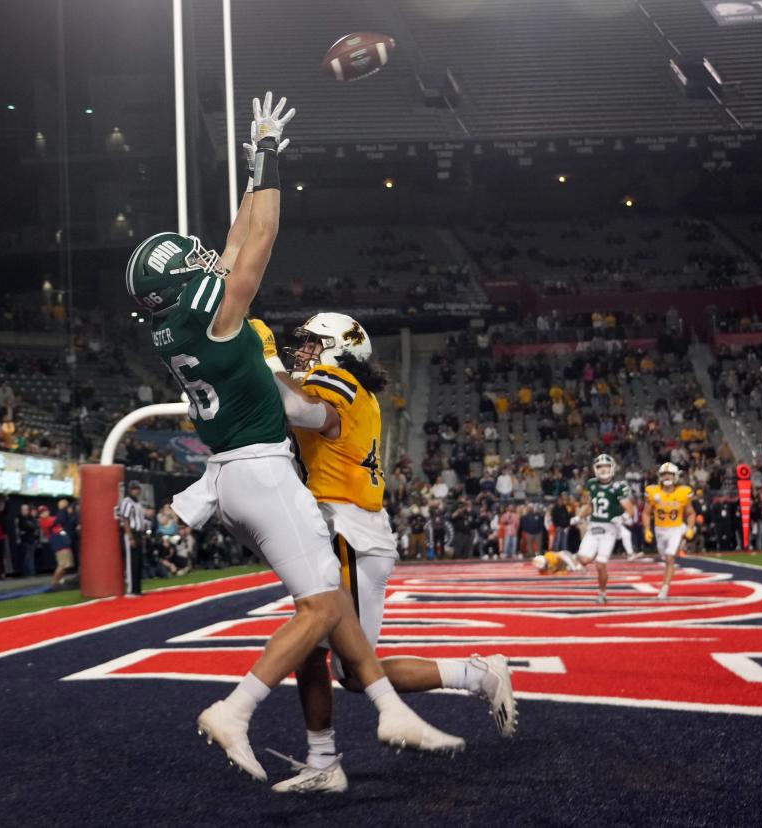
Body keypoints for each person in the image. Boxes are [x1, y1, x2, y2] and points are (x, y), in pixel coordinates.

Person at [125, 92, 459, 783]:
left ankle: (378, 717)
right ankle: (237, 709)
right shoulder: (217, 317)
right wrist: (272, 153)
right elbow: (259, 240)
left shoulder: (175, 324)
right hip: (261, 469)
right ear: (182, 281)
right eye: (193, 260)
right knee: (322, 607)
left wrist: (252, 167)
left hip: (229, 471)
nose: (206, 259)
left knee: (328, 609)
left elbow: (230, 243)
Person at [263, 312, 515, 793]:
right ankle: (323, 762)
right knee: (319, 658)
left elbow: (299, 412)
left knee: (347, 667)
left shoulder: (338, 382)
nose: (305, 352)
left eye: (314, 343)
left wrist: (267, 359)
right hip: (346, 530)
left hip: (347, 533)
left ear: (337, 348)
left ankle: (478, 674)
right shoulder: (346, 384)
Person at [572, 454, 636, 605]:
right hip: (593, 527)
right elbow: (590, 505)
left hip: (609, 530)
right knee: (584, 560)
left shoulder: (618, 487)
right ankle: (573, 557)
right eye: (600, 467)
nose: (603, 469)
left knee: (600, 565)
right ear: (595, 469)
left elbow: (630, 509)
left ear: (612, 468)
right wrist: (579, 516)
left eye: (606, 466)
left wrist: (623, 517)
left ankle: (602, 593)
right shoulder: (592, 484)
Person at [642, 462, 696, 600]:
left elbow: (691, 513)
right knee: (664, 557)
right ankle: (683, 538)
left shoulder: (683, 492)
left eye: (669, 474)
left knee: (670, 557)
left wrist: (690, 527)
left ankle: (664, 589)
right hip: (660, 529)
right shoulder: (653, 492)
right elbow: (646, 513)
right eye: (663, 474)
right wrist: (647, 529)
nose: (666, 476)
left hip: (676, 528)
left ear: (675, 476)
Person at [116, 481, 148, 595]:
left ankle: (137, 588)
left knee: (138, 562)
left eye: (137, 488)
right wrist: (130, 537)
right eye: (134, 489)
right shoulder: (127, 502)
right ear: (129, 490)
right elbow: (125, 519)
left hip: (139, 533)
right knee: (131, 563)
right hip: (132, 533)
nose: (136, 491)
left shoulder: (138, 503)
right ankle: (131, 589)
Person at [15, 503, 40, 578]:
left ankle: (31, 572)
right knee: (27, 557)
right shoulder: (19, 518)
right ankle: (27, 572)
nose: (25, 511)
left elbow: (34, 527)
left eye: (26, 509)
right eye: (23, 509)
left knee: (30, 556)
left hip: (31, 539)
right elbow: (21, 528)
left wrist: (28, 528)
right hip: (24, 540)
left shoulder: (30, 518)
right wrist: (28, 528)